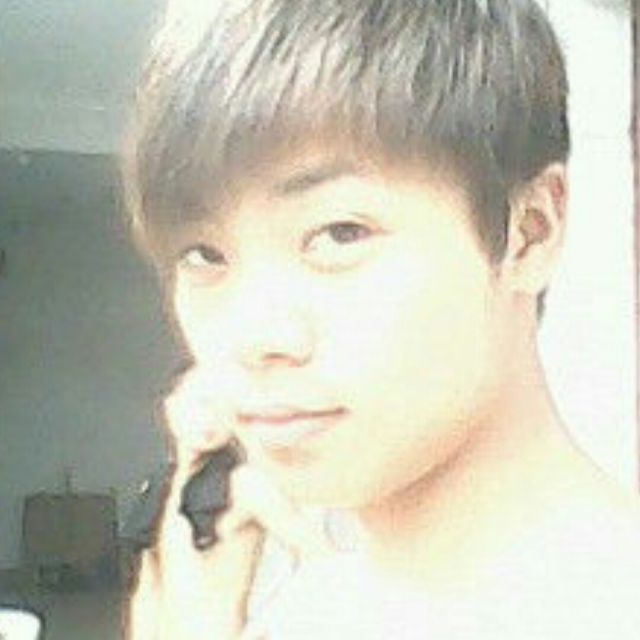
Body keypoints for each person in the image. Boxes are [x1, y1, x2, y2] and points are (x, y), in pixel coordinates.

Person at [122, 0, 640, 638]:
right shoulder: (308, 604)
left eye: (340, 234)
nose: (253, 338)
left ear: (530, 231)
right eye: (204, 256)